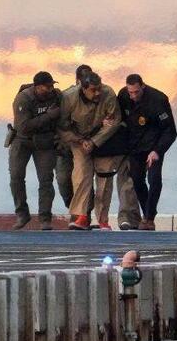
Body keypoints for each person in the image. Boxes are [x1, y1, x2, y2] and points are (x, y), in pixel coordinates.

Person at [58, 72, 122, 230]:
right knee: (81, 176)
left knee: (104, 179)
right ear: (83, 88)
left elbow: (114, 121)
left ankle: (103, 220)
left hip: (103, 140)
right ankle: (82, 216)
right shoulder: (68, 97)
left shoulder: (108, 93)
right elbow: (62, 126)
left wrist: (95, 141)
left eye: (99, 88)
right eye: (93, 90)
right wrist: (80, 140)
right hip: (79, 140)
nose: (98, 93)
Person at [117, 74, 177, 231]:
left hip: (154, 146)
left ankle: (149, 217)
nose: (133, 96)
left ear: (142, 86)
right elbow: (119, 118)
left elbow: (170, 131)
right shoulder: (123, 95)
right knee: (137, 180)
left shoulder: (158, 99)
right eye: (130, 92)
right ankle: (147, 214)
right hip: (135, 146)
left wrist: (157, 151)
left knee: (154, 179)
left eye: (136, 92)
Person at [9, 71, 62, 230]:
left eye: (52, 86)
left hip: (44, 141)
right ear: (37, 87)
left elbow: (63, 116)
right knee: (16, 177)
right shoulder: (23, 99)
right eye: (46, 87)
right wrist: (48, 116)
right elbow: (23, 127)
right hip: (22, 140)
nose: (50, 89)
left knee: (46, 179)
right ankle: (22, 214)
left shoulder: (56, 96)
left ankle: (45, 218)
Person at [55, 64, 94, 209]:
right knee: (63, 180)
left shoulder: (96, 96)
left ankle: (84, 213)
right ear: (77, 80)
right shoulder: (66, 96)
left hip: (85, 146)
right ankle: (72, 208)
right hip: (65, 147)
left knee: (84, 180)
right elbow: (58, 123)